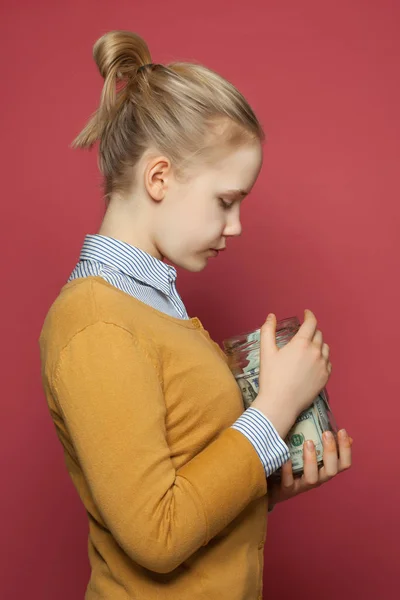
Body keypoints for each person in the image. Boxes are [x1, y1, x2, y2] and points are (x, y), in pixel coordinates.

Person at [39, 30, 353, 600]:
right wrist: (274, 409)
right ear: (158, 178)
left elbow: (189, 489)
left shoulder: (152, 304)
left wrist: (269, 483)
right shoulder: (95, 322)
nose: (235, 227)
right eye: (225, 201)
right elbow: (157, 534)